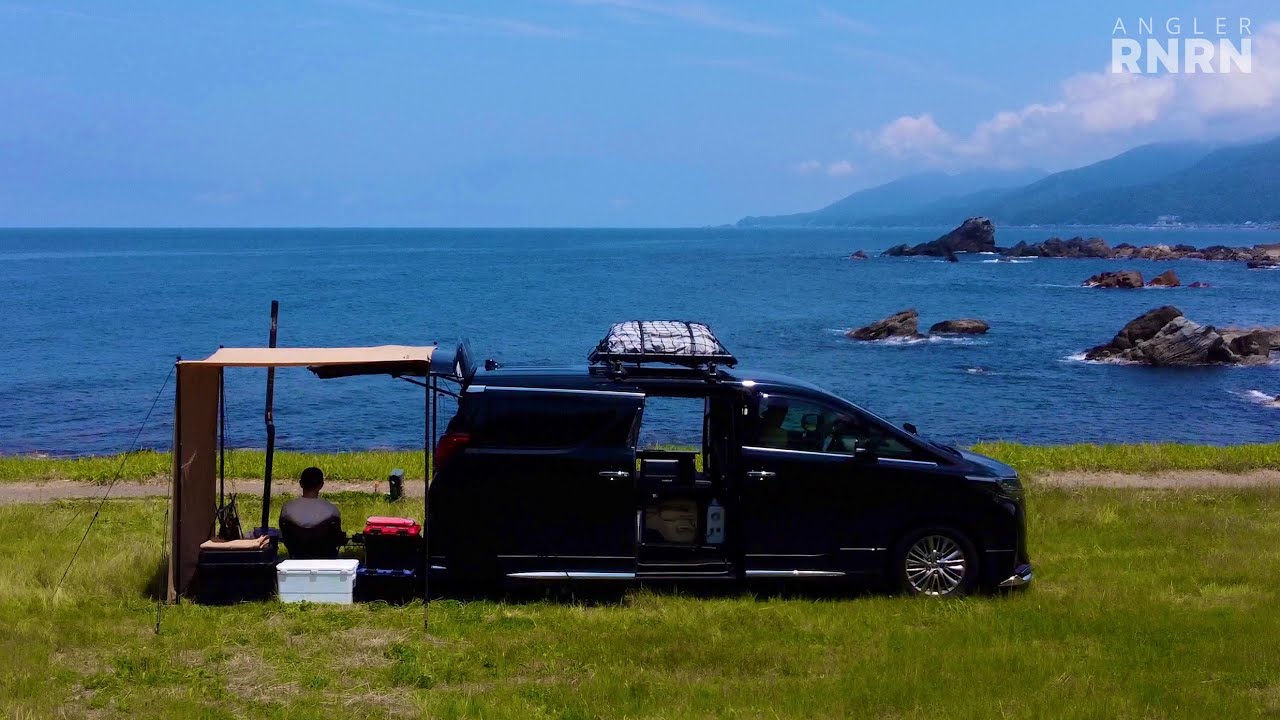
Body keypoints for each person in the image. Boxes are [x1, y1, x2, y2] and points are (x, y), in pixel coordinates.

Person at [279, 466, 346, 559]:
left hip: (297, 555)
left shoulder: (287, 508)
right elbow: (337, 536)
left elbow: (284, 533)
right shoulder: (331, 510)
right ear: (321, 485)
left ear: (301, 483)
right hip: (326, 556)